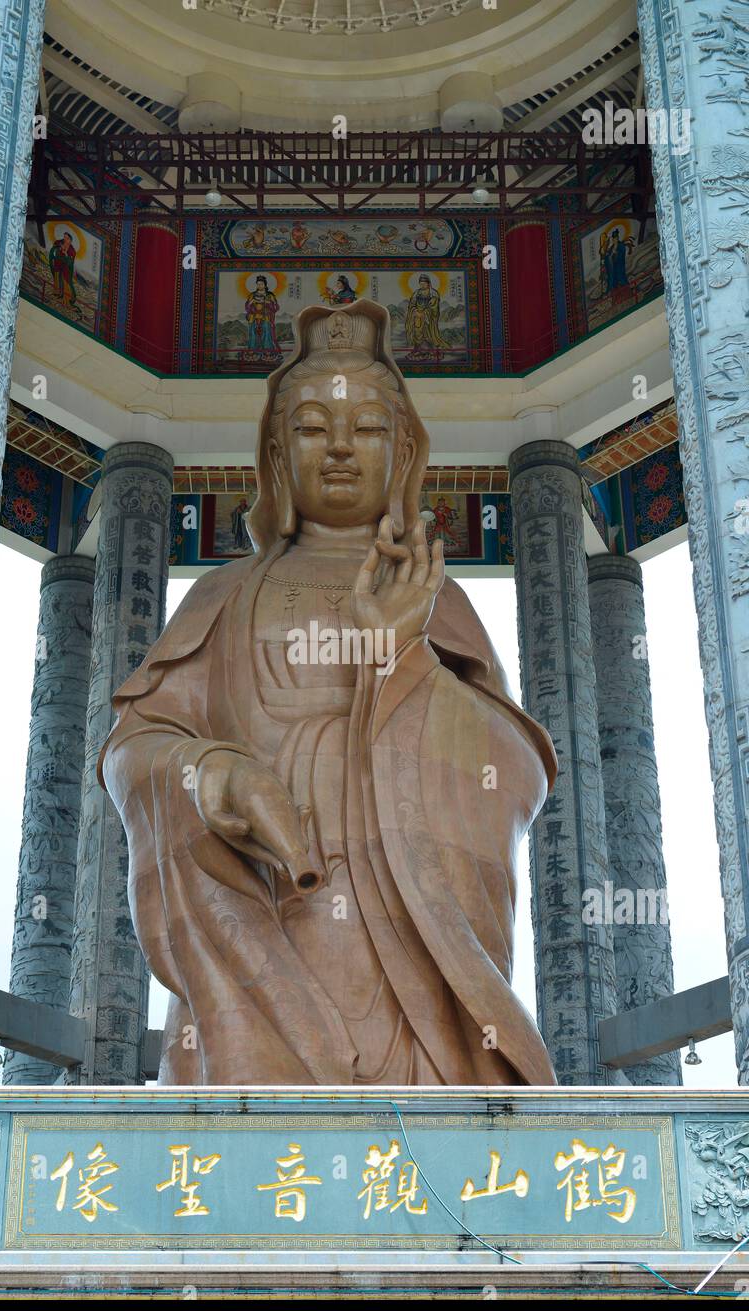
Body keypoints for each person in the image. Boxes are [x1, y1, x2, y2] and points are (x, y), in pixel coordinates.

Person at [100, 301, 557, 1085]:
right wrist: (209, 775)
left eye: (369, 429)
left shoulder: (437, 602)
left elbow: (515, 771)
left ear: (404, 453)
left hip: (406, 947)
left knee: (419, 1162)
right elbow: (133, 753)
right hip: (264, 915)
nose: (340, 448)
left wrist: (399, 653)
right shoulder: (224, 595)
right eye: (313, 427)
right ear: (276, 454)